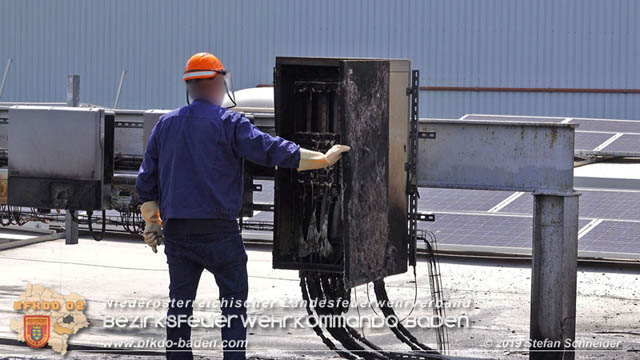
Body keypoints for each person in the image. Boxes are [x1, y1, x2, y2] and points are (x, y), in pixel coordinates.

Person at [135, 52, 350, 360]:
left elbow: (147, 180)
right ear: (218, 83)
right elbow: (271, 150)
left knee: (179, 306)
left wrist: (152, 221)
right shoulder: (229, 123)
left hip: (179, 233)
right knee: (233, 304)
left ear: (190, 87)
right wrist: (322, 159)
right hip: (219, 233)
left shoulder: (165, 125)